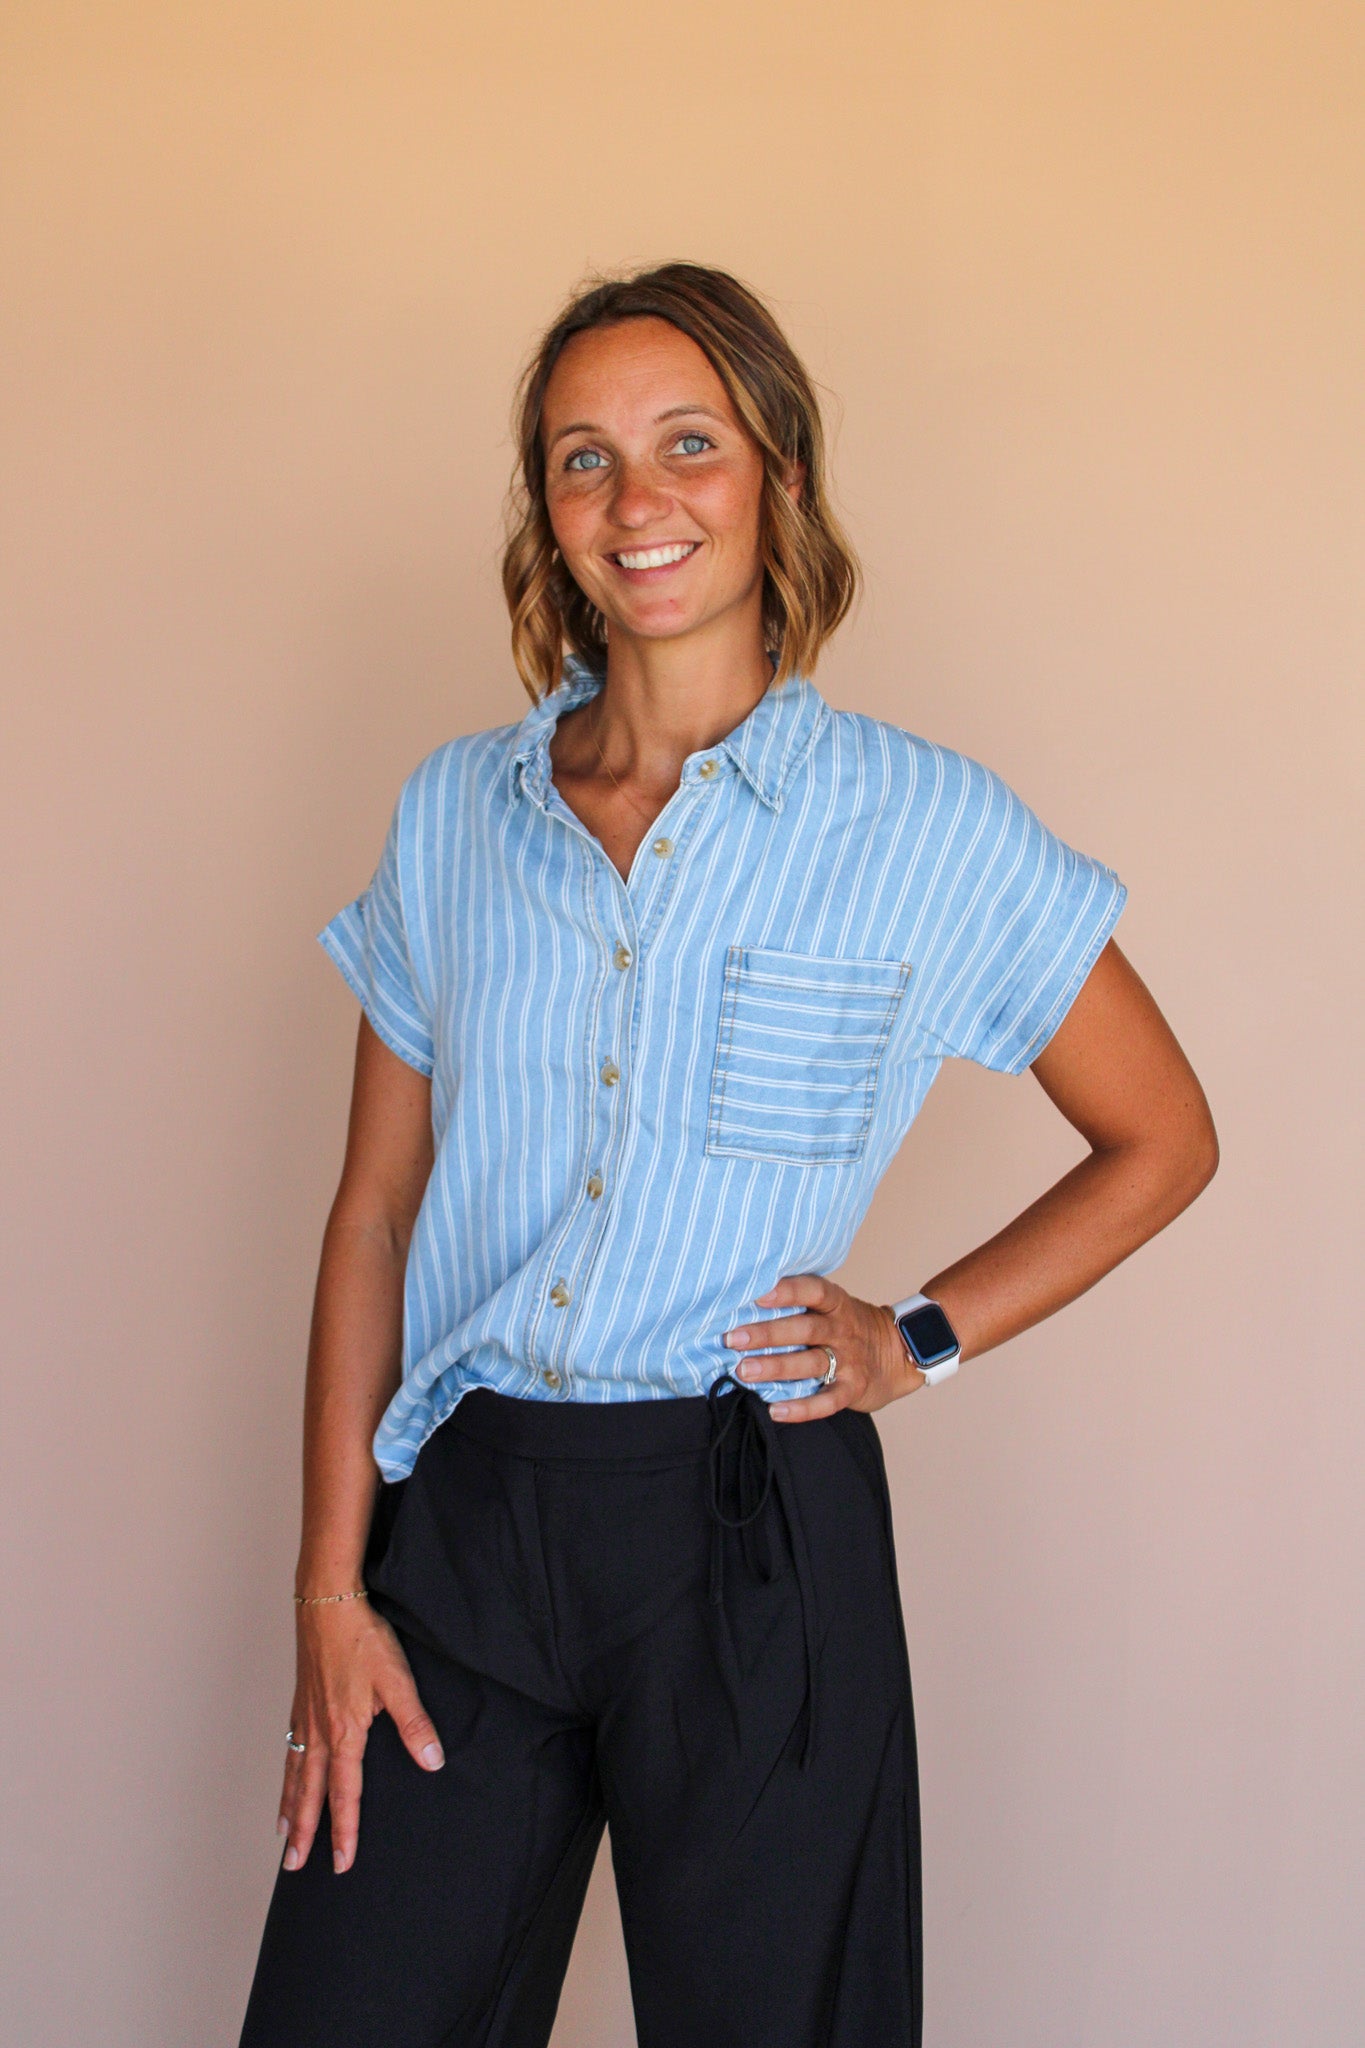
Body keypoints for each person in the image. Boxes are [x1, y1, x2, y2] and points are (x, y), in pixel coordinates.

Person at [238, 261, 1218, 2048]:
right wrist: (329, 1582)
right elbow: (372, 1214)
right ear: (546, 508)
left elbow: (1161, 1135)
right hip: (462, 1524)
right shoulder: (454, 813)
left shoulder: (921, 824)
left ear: (778, 472)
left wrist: (913, 1340)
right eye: (583, 458)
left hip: (752, 1528)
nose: (638, 499)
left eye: (687, 443)